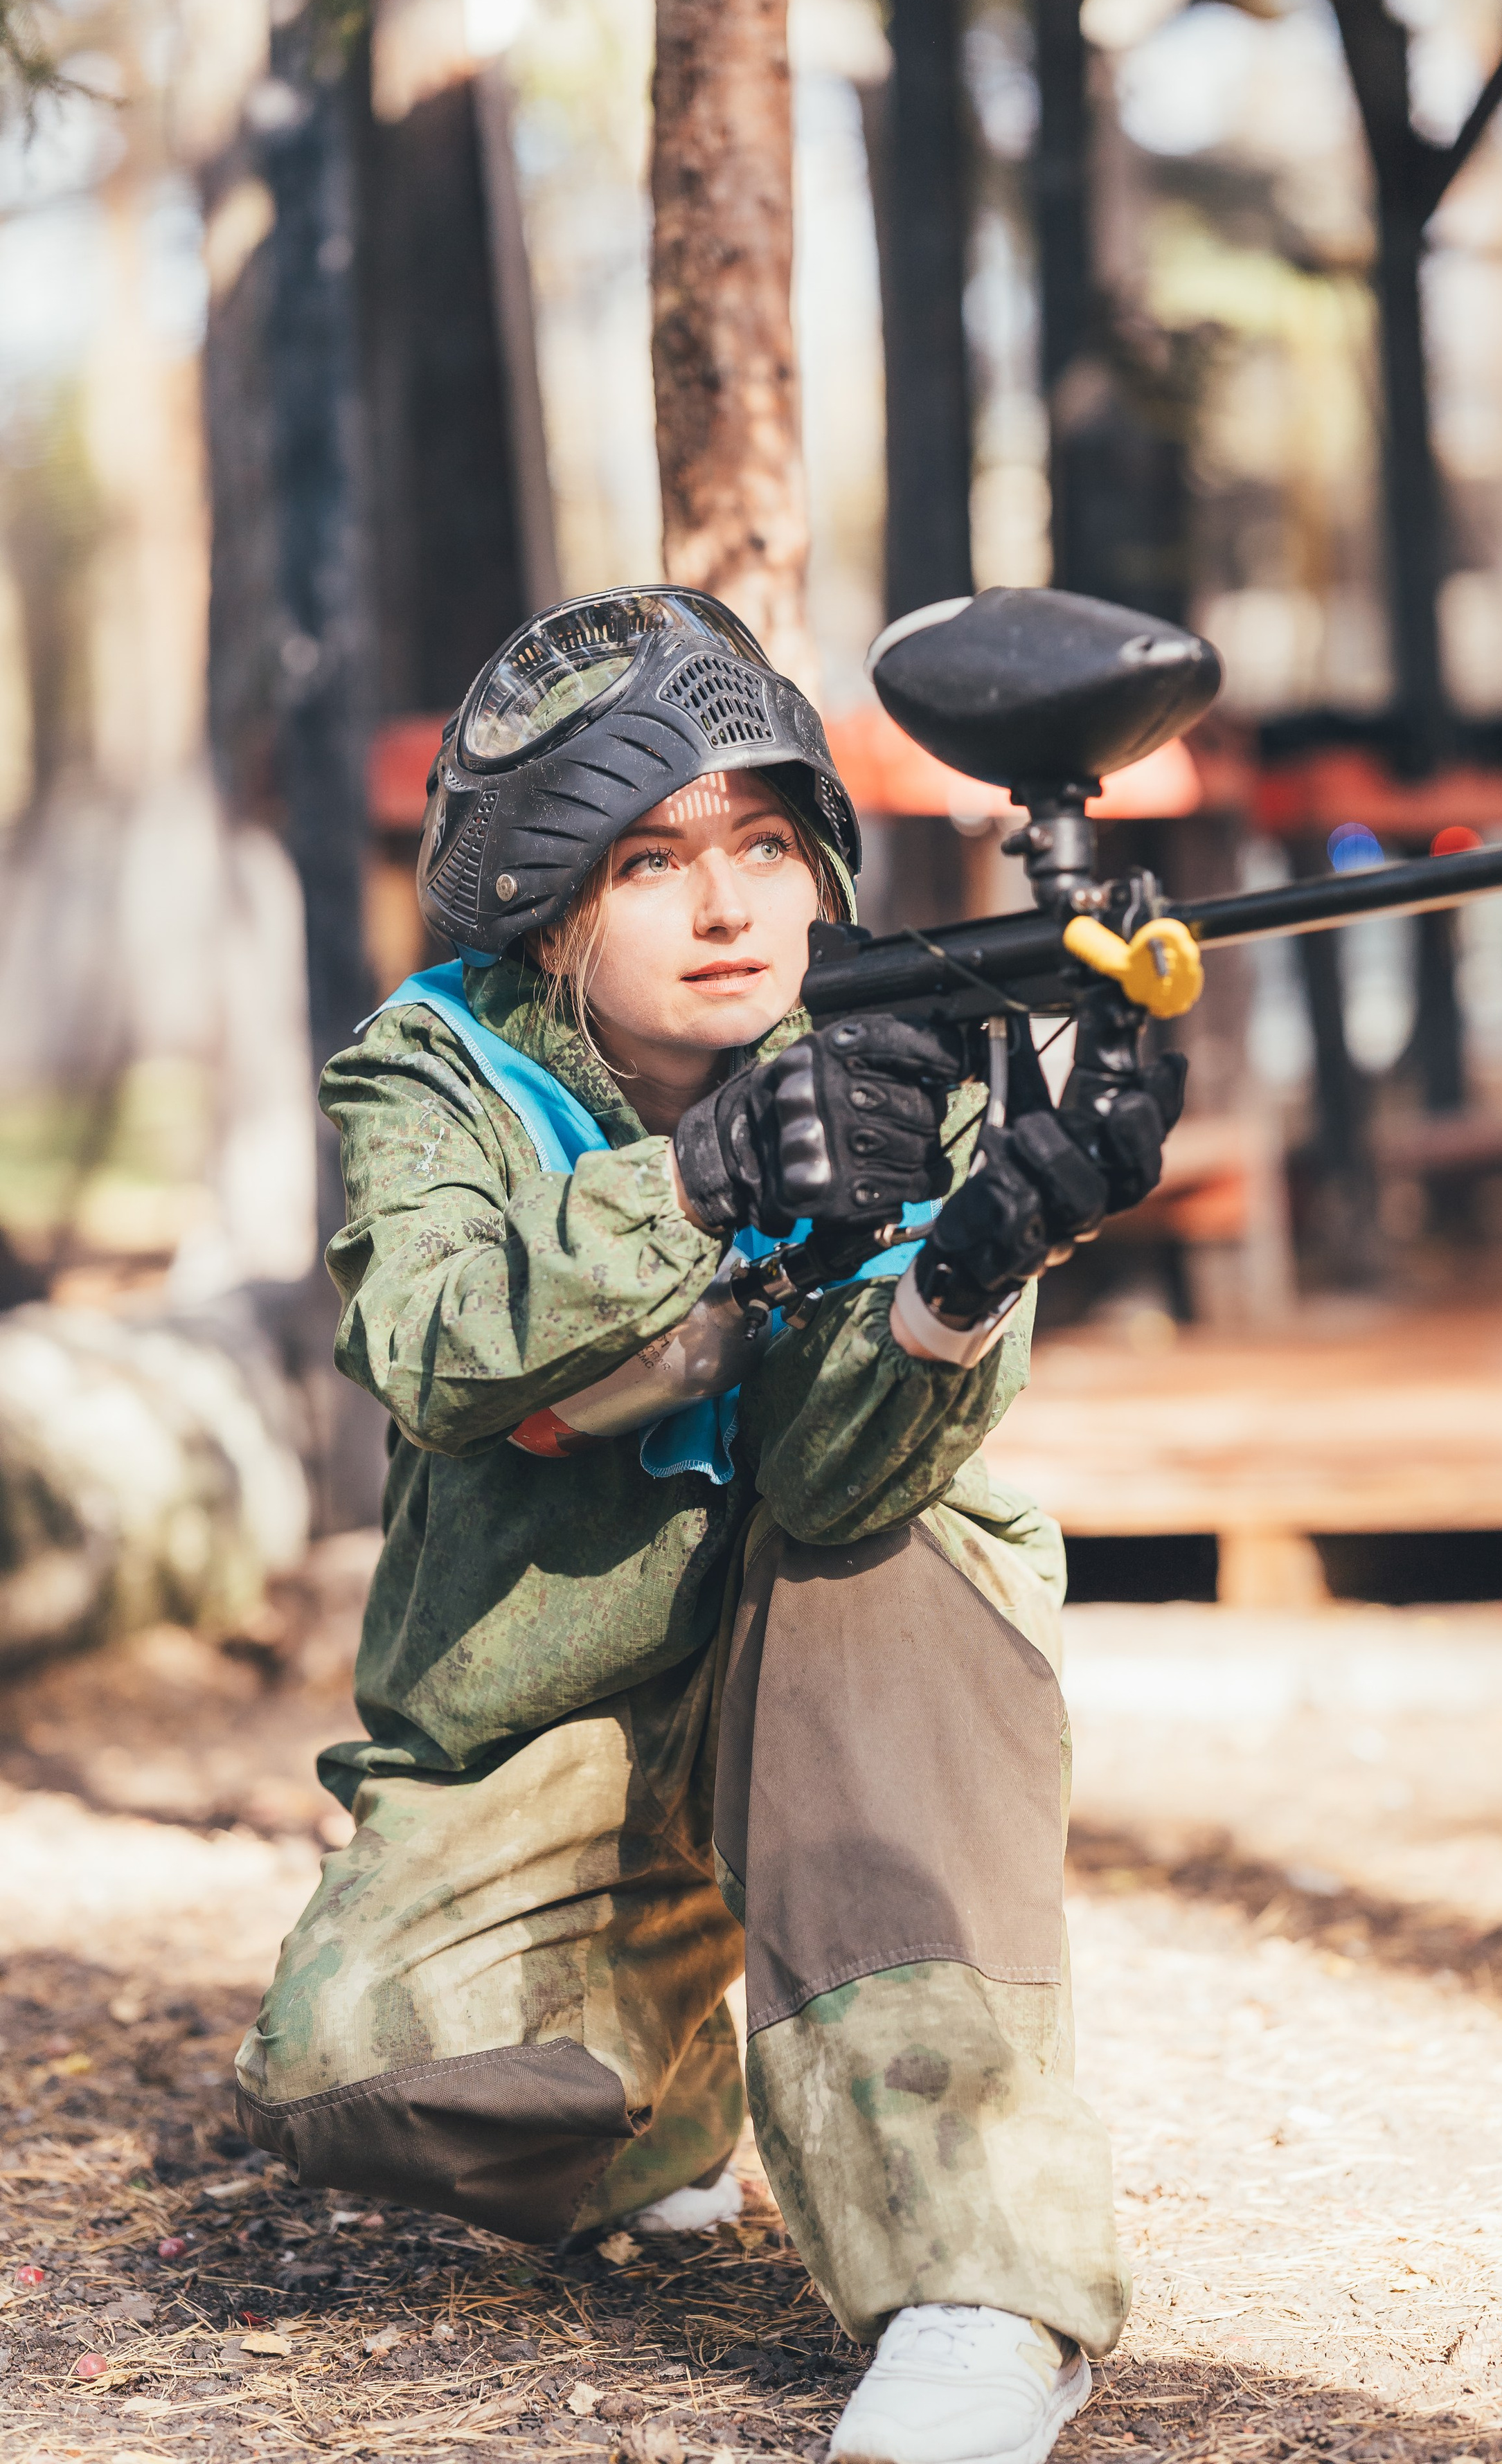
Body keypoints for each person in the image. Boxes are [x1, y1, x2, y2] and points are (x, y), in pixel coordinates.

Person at [234, 588, 1187, 2464]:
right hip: (563, 1728)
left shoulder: (905, 1050)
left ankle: (980, 2287)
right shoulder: (434, 1069)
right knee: (362, 2065)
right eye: (656, 862)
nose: (731, 906)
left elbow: (847, 1478)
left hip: (836, 1689)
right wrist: (703, 1178)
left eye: (766, 845)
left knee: (881, 1554)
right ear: (556, 908)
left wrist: (971, 1266)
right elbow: (429, 1344)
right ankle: (668, 2071)